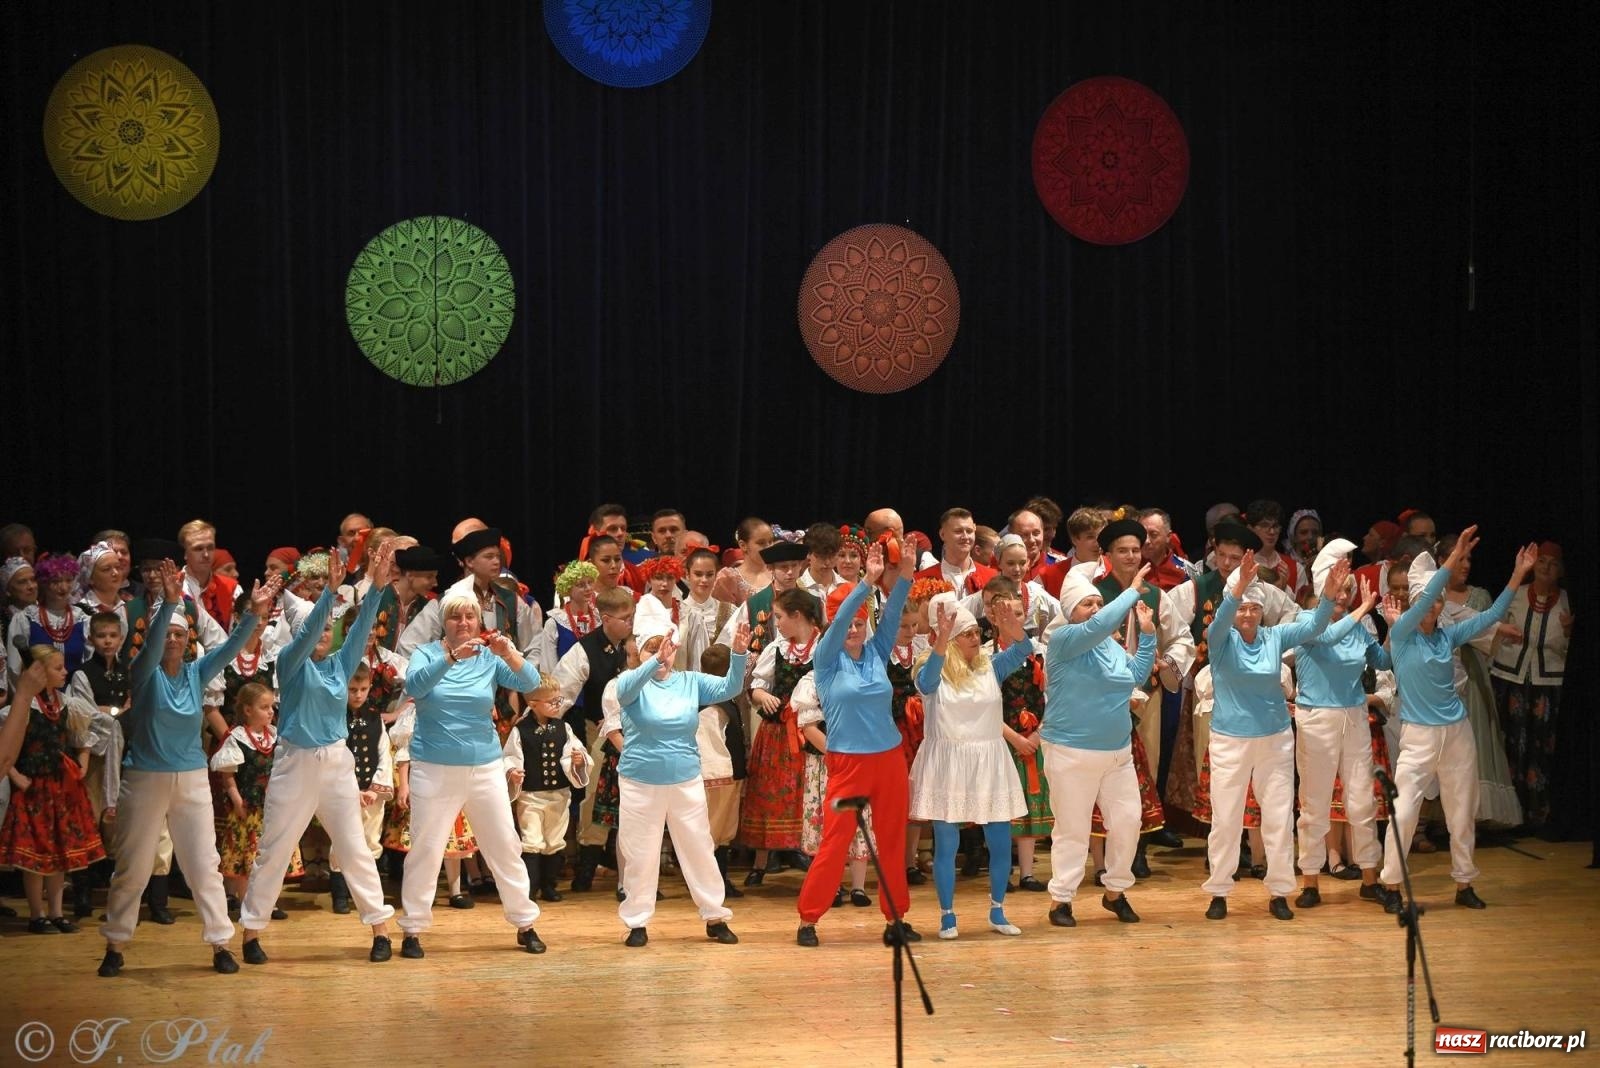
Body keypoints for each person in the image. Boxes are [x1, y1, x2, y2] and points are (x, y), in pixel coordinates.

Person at [98, 560, 275, 978]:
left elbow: (231, 648)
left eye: (180, 633)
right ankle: (115, 944)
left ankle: (219, 943)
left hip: (193, 776)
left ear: (190, 640)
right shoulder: (143, 673)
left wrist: (254, 612)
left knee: (203, 864)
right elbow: (154, 639)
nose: (173, 639)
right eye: (168, 634)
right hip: (144, 778)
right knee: (134, 866)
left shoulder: (197, 673)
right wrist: (169, 605)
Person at [235, 548, 396, 965]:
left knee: (354, 846)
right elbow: (305, 637)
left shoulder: (341, 664)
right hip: (296, 763)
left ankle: (380, 928)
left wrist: (376, 589)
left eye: (327, 628)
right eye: (315, 628)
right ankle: (252, 932)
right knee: (275, 847)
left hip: (336, 762)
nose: (323, 633)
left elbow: (359, 627)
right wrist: (329, 592)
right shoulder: (289, 661)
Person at [1378, 532, 1535, 913]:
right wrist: (1452, 559)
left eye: (1435, 603)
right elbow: (1427, 596)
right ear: (1415, 605)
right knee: (1404, 811)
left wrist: (1517, 574)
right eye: (1423, 603)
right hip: (1418, 735)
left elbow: (1493, 615)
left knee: (1462, 810)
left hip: (1457, 731)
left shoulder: (1448, 636)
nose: (1430, 608)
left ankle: (1464, 883)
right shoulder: (1401, 635)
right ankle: (1392, 886)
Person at [397, 587, 546, 958]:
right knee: (427, 849)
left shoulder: (487, 656)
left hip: (484, 765)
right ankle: (413, 929)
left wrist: (508, 653)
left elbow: (531, 685)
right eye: (455, 617)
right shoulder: (425, 653)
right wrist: (449, 658)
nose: (463, 623)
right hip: (434, 767)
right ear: (443, 622)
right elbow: (414, 686)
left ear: (479, 621)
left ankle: (525, 923)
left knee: (504, 845)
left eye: (469, 617)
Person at [1201, 549, 1343, 921]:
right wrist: (1239, 587)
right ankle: (1219, 891)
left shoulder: (1274, 637)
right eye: (1241, 608)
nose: (1247, 614)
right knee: (1227, 818)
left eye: (1253, 608)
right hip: (1230, 740)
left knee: (1278, 818)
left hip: (1275, 738)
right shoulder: (1221, 640)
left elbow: (1313, 628)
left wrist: (1327, 595)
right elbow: (1219, 622)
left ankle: (1280, 891)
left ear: (1262, 611)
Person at [795, 539, 918, 948]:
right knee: (836, 842)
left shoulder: (876, 652)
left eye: (860, 622)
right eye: (847, 623)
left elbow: (896, 612)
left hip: (889, 759)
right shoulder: (826, 659)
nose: (854, 628)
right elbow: (843, 615)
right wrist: (865, 582)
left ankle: (895, 917)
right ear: (833, 625)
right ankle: (809, 918)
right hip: (848, 763)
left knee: (892, 838)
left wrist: (905, 574)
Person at [606, 616, 750, 946]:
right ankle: (637, 922)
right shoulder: (629, 683)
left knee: (699, 847)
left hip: (685, 779)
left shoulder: (688, 681)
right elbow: (625, 691)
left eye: (667, 648)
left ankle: (715, 915)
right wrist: (654, 659)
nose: (663, 654)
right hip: (641, 781)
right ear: (638, 653)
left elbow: (729, 688)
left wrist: (739, 654)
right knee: (640, 852)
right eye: (653, 648)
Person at [910, 594, 1035, 938]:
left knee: (999, 839)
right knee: (947, 845)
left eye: (975, 632)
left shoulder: (989, 666)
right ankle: (947, 915)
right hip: (948, 761)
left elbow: (1025, 651)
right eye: (965, 633)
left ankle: (997, 910)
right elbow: (927, 684)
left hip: (989, 759)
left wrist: (1014, 629)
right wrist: (938, 643)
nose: (974, 638)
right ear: (948, 638)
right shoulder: (928, 665)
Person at [1040, 568, 1156, 927]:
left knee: (1127, 822)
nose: (1094, 609)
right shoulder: (1063, 639)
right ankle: (1061, 901)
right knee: (1072, 829)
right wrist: (1132, 592)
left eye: (1098, 603)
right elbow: (1098, 626)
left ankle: (1115, 892)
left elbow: (1136, 675)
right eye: (1086, 604)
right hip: (1070, 752)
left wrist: (1148, 636)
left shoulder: (1110, 644)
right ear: (1070, 610)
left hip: (1117, 753)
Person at [1291, 540, 1387, 907]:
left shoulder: (1360, 627)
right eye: (1338, 586)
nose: (1345, 594)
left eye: (1349, 588)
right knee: (1314, 802)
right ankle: (1311, 881)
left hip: (1353, 717)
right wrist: (1363, 608)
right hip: (1317, 717)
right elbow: (1328, 635)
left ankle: (1368, 877)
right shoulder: (1305, 622)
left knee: (1362, 799)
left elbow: (1382, 661)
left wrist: (1393, 625)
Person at [0, 645, 106, 933]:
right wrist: (15, 774)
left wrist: (82, 763)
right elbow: (4, 747)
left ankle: (57, 912)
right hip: (33, 788)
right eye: (58, 668)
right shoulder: (22, 708)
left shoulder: (64, 703)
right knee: (36, 856)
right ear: (38, 672)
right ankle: (37, 915)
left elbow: (84, 734)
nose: (65, 672)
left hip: (61, 788)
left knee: (58, 854)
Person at [1490, 541, 1572, 831]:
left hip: (1547, 683)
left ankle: (1537, 813)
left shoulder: (1566, 602)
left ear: (1560, 570)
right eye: (1542, 562)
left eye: (1553, 563)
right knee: (1509, 743)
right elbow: (1492, 626)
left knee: (1540, 748)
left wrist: (1568, 632)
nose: (1546, 567)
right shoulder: (1516, 597)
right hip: (1509, 678)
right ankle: (1508, 814)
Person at [504, 677, 587, 902]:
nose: (557, 704)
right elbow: (510, 756)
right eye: (551, 701)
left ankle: (549, 886)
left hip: (559, 794)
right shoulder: (521, 729)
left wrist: (578, 760)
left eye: (558, 700)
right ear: (533, 704)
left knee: (554, 840)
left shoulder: (563, 727)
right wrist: (512, 770)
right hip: (531, 795)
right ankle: (529, 888)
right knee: (531, 840)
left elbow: (575, 750)